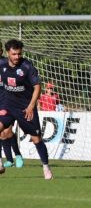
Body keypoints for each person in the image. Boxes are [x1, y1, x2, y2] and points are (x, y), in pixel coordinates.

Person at [0, 39, 53, 180]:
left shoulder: (27, 66)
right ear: (7, 53)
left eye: (19, 54)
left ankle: (46, 167)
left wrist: (31, 106)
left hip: (25, 108)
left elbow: (37, 87)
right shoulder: (2, 64)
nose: (17, 57)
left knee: (36, 139)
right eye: (14, 54)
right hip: (8, 106)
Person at [0, 41, 24, 171]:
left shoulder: (6, 64)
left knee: (6, 131)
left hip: (8, 102)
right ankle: (9, 160)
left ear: (1, 51)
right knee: (2, 134)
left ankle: (18, 156)